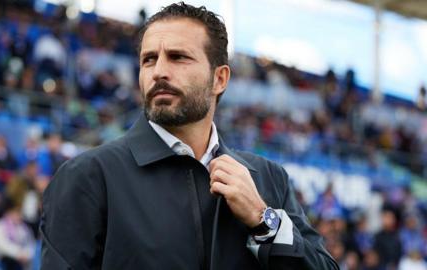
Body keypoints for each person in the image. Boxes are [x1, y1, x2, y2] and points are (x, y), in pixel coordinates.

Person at [40, 2, 338, 270]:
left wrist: (264, 221)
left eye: (178, 57)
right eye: (149, 59)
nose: (158, 71)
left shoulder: (268, 179)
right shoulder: (89, 176)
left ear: (219, 79)